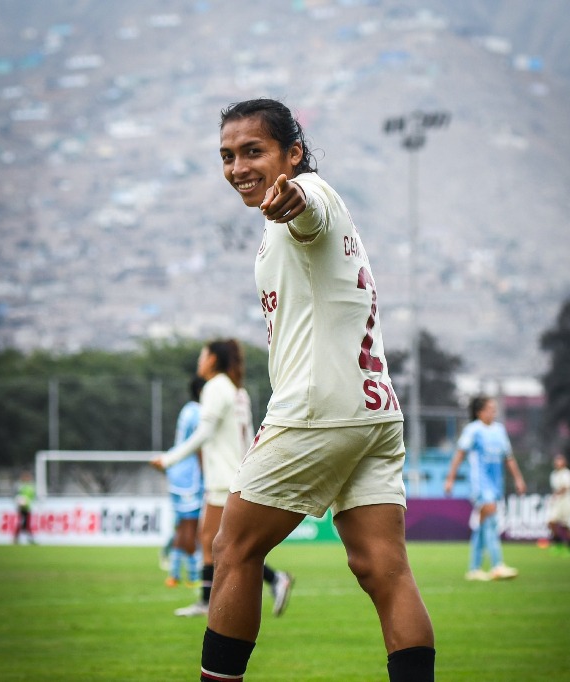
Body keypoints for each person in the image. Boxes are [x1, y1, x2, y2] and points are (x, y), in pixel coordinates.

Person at [194, 98, 436, 682]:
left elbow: (311, 210)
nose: (238, 168)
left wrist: (296, 198)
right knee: (385, 570)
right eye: (227, 156)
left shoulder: (311, 196)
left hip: (315, 411)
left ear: (293, 154)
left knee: (232, 551)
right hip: (374, 414)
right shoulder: (299, 220)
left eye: (254, 151)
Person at [152, 340, 292, 618]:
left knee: (218, 541)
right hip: (238, 472)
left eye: (203, 356)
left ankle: (273, 579)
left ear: (213, 360)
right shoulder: (238, 391)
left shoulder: (215, 387)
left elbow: (203, 433)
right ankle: (212, 598)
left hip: (222, 477)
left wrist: (168, 460)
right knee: (215, 540)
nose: (200, 362)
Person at [444, 396, 526, 580]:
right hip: (480, 483)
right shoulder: (473, 430)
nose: (493, 412)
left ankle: (474, 569)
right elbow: (460, 454)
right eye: (490, 408)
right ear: (479, 412)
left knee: (482, 525)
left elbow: (508, 457)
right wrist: (450, 478)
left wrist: (518, 479)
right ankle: (497, 565)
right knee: (490, 519)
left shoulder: (499, 430)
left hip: (496, 484)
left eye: (494, 408)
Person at [159, 375, 207, 588]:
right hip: (190, 476)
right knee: (191, 526)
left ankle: (174, 573)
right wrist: (206, 473)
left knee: (182, 527)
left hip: (177, 473)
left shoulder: (187, 409)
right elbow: (199, 446)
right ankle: (194, 575)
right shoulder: (199, 413)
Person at [547, 453, 570, 554]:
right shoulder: (553, 474)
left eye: (560, 460)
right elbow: (555, 489)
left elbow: (565, 488)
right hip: (557, 502)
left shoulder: (567, 474)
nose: (557, 463)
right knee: (551, 522)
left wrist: (556, 494)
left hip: (567, 502)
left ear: (564, 463)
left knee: (566, 526)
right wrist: (554, 497)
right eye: (556, 460)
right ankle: (558, 544)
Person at [13, 470, 36, 545]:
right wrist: (19, 503)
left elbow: (33, 497)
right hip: (21, 508)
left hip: (28, 508)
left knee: (27, 524)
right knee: (21, 524)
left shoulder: (31, 487)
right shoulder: (20, 486)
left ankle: (30, 539)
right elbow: (16, 496)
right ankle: (17, 539)